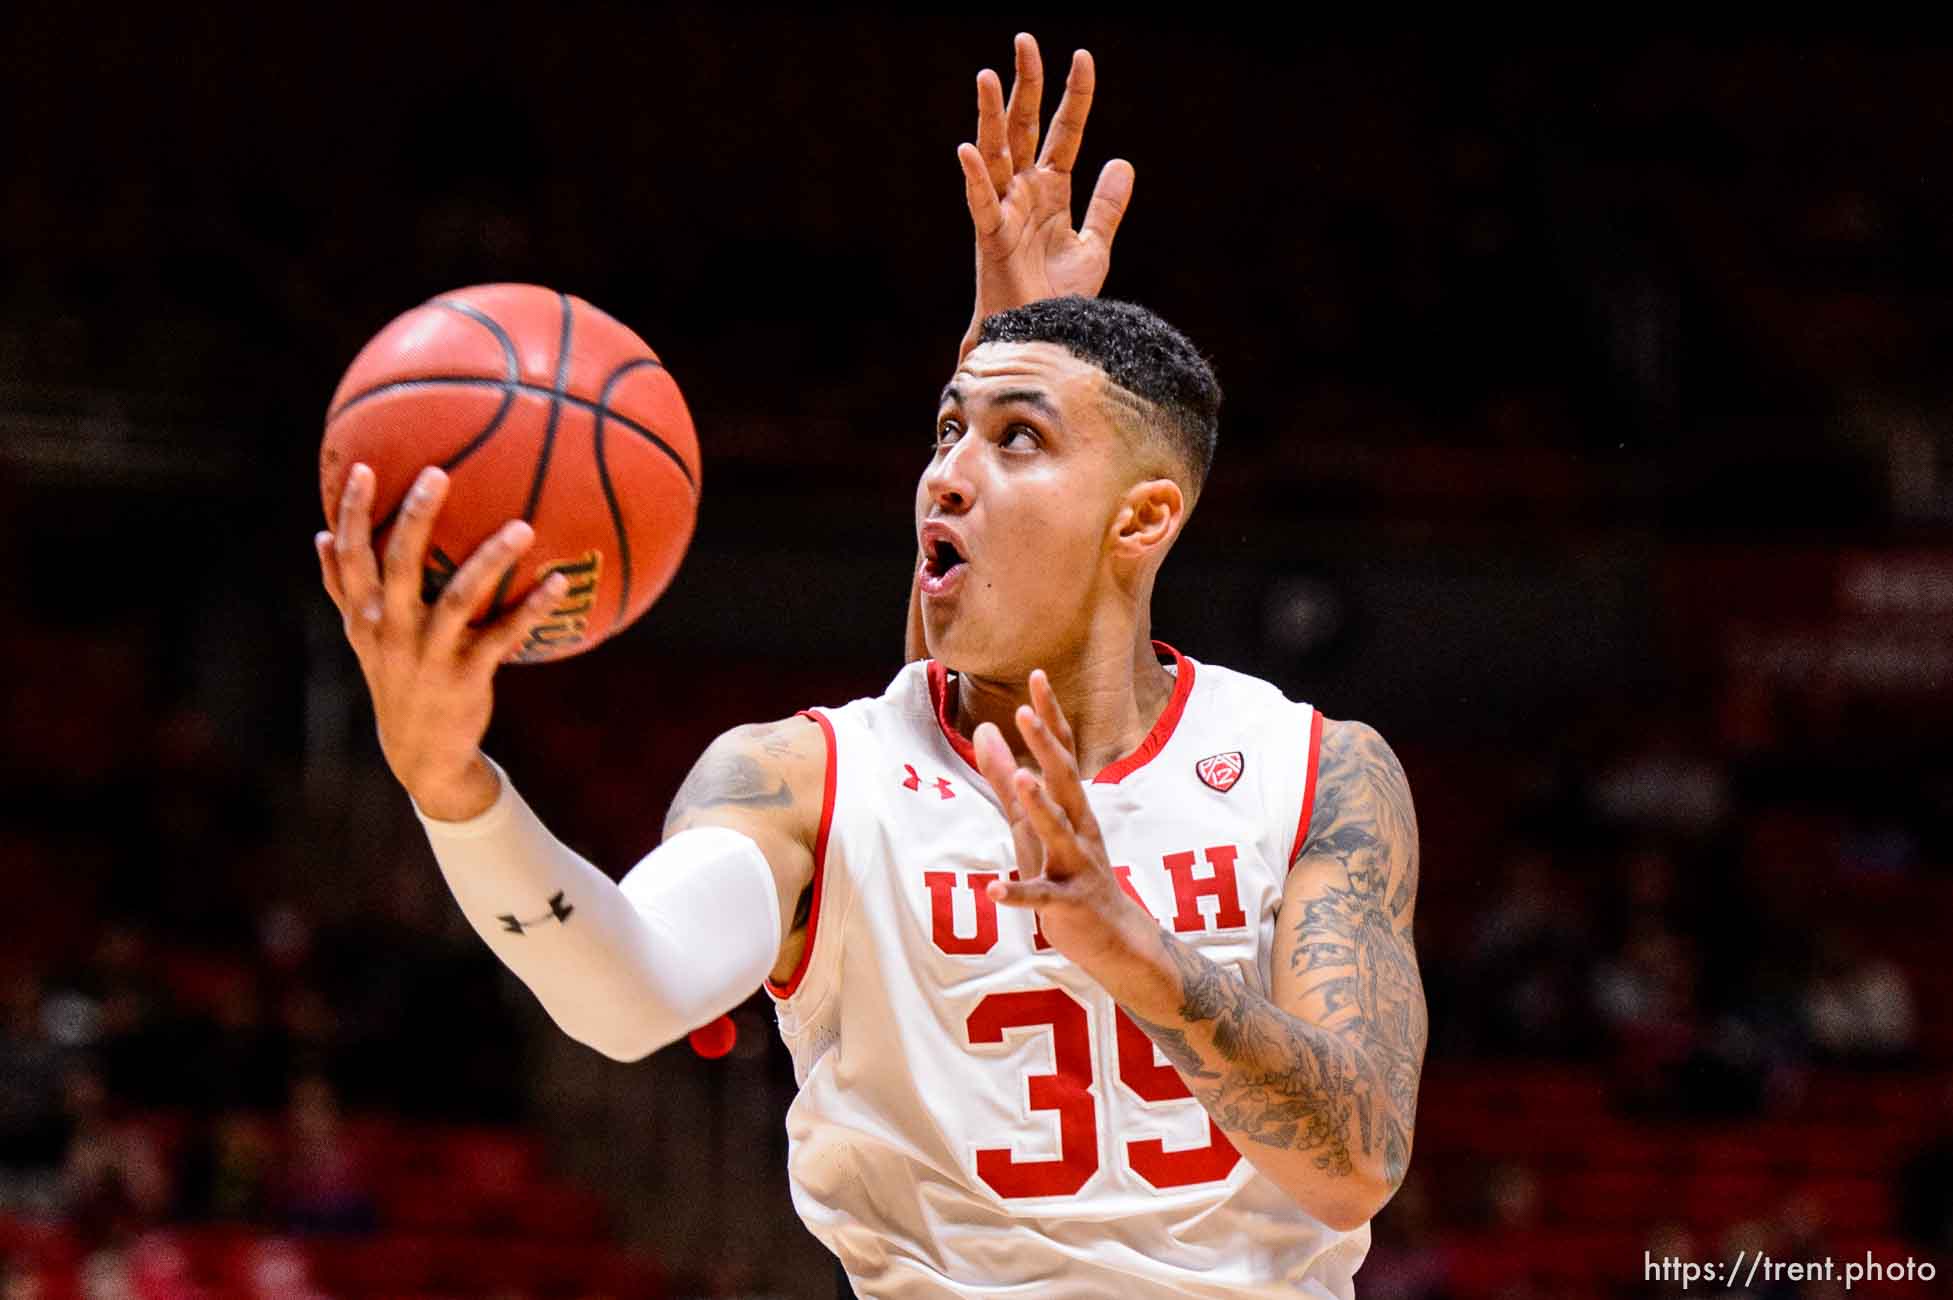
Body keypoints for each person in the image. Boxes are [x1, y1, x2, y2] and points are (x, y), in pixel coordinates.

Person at [313, 34, 1426, 1299]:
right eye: (947, 428)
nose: (946, 469)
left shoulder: (1315, 769)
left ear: (1143, 519)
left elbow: (1360, 1158)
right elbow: (626, 994)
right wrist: (449, 782)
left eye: (1017, 438)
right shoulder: (805, 779)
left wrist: (1139, 954)